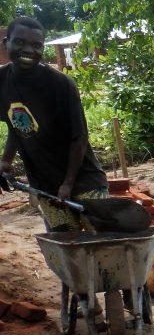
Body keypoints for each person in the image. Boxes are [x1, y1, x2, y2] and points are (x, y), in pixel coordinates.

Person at [0, 16, 108, 231]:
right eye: (20, 42)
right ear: (6, 43)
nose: (28, 50)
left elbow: (79, 137)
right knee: (66, 246)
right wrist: (6, 161)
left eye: (36, 45)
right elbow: (18, 124)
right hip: (44, 185)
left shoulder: (60, 84)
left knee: (104, 241)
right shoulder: (1, 81)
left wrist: (68, 183)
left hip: (83, 179)